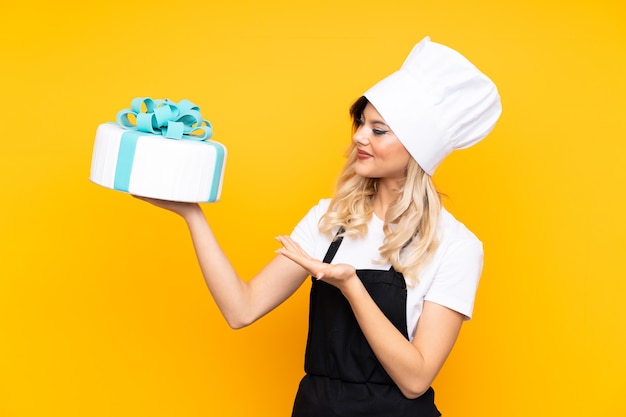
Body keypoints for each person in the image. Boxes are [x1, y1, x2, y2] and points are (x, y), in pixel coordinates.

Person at [137, 36, 502, 416]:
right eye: (361, 122)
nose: (359, 136)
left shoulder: (455, 245)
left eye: (379, 130)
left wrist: (351, 287)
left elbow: (415, 380)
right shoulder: (331, 220)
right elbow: (240, 309)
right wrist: (192, 214)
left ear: (417, 148)